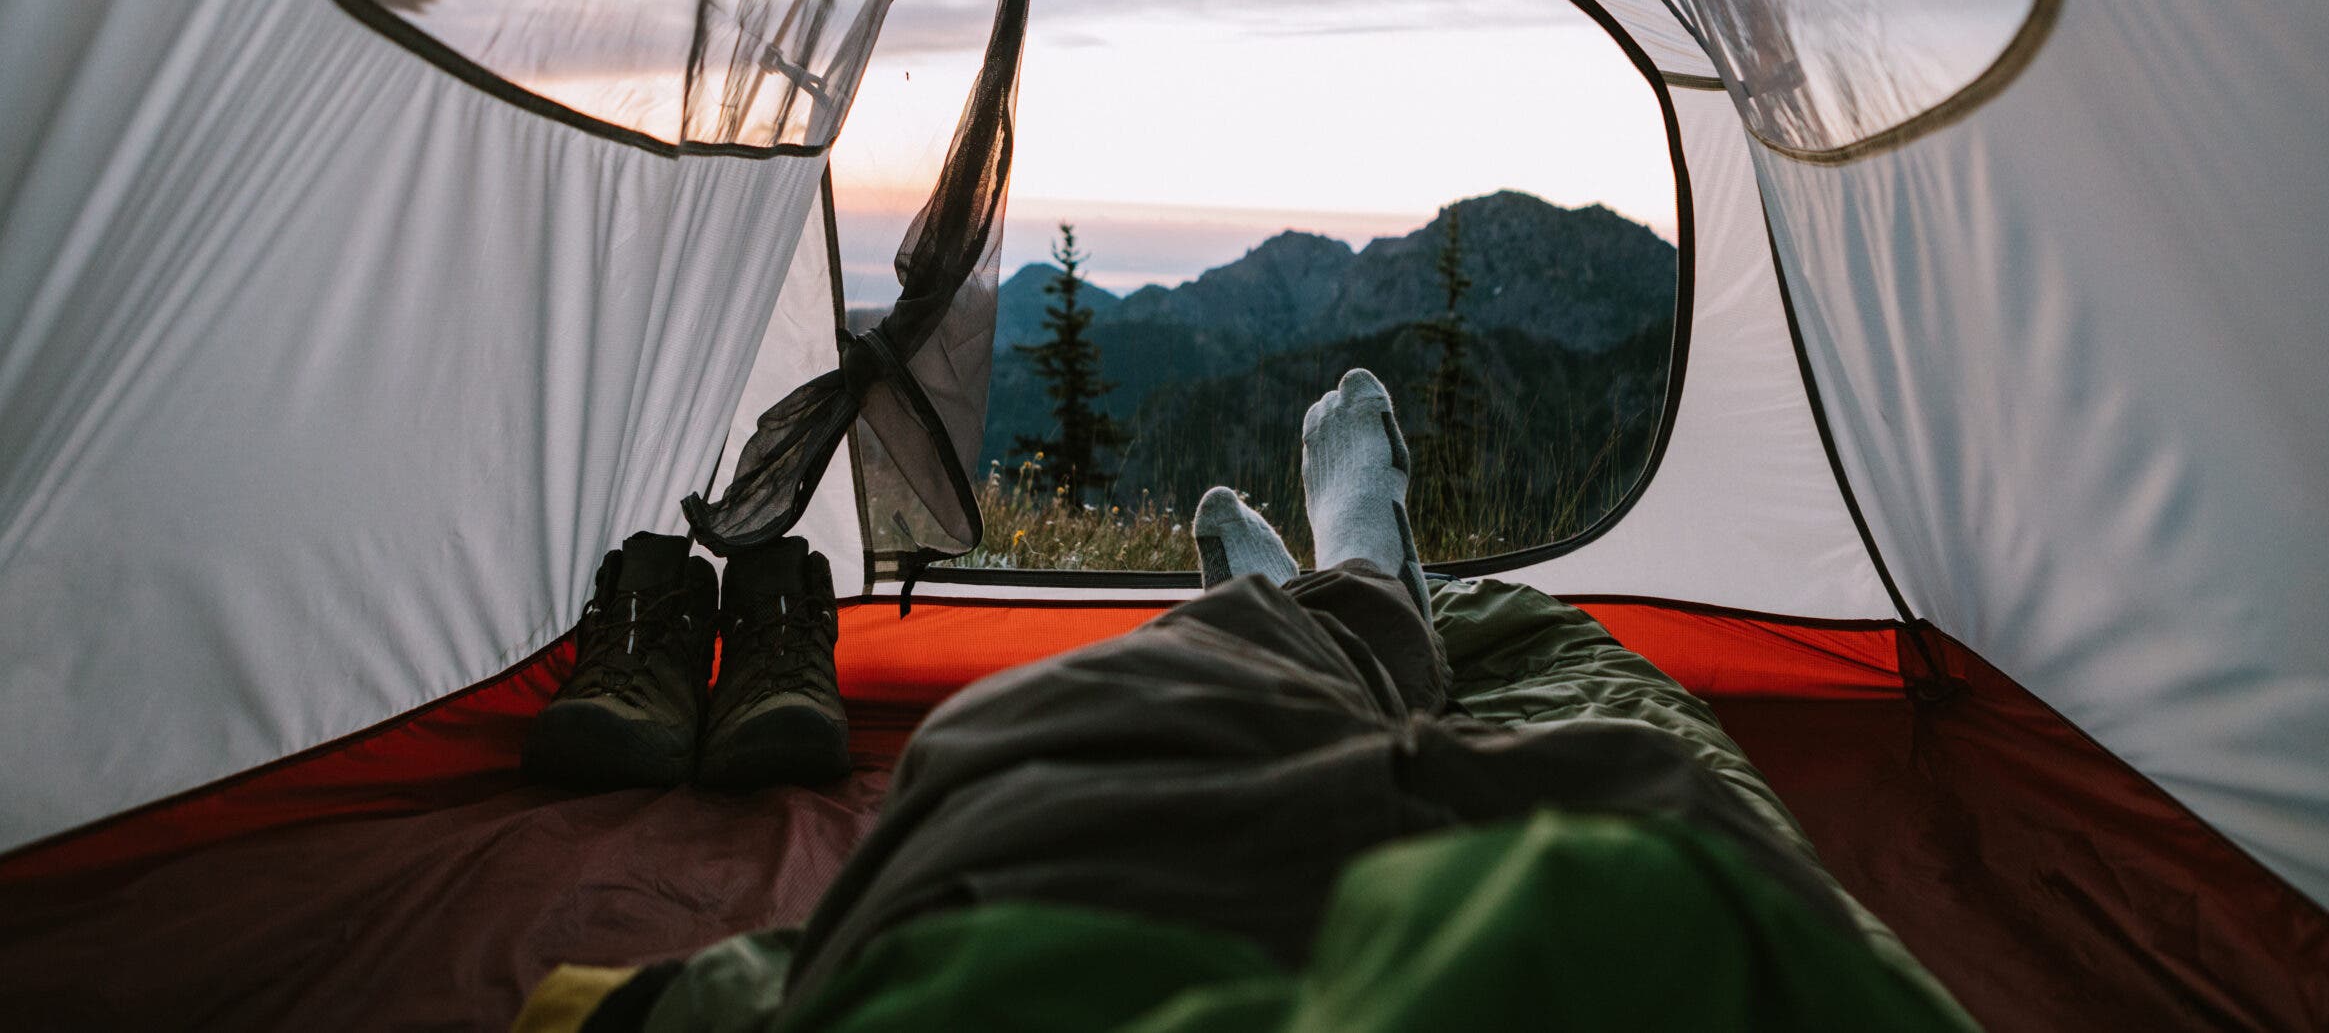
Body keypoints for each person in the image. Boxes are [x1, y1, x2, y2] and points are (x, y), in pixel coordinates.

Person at [515, 371, 1976, 1033]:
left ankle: (1345, 585)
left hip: (1040, 842)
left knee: (1251, 672)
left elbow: (1639, 860)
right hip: (990, 854)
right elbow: (1657, 874)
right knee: (1264, 673)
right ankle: (1358, 567)